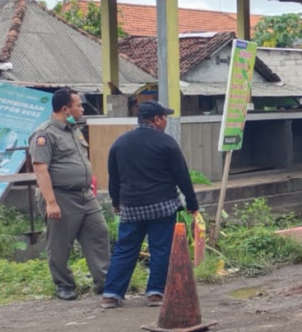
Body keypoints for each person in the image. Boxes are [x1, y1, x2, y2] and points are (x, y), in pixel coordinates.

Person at [100, 101, 200, 309]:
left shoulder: (120, 143)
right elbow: (182, 176)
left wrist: (116, 201)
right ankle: (155, 293)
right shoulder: (167, 143)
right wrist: (192, 202)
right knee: (161, 249)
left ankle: (111, 294)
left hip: (131, 206)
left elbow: (114, 177)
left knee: (124, 249)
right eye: (164, 117)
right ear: (156, 119)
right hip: (162, 205)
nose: (165, 122)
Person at [30, 88, 110, 301]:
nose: (82, 109)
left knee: (99, 234)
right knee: (59, 244)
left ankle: (104, 282)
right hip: (61, 196)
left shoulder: (73, 130)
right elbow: (40, 170)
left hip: (84, 195)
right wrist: (51, 203)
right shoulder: (45, 134)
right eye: (79, 105)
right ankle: (64, 285)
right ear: (65, 109)